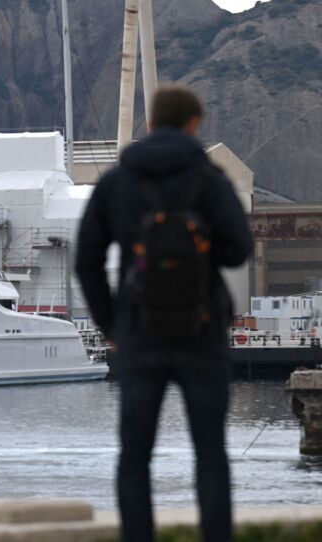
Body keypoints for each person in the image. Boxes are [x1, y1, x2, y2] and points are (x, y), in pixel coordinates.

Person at [75, 86, 253, 542]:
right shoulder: (210, 180)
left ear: (150, 124)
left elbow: (86, 260)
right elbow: (238, 252)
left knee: (135, 455)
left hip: (140, 334)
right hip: (204, 333)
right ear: (194, 123)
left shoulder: (118, 181)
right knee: (209, 453)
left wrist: (111, 324)